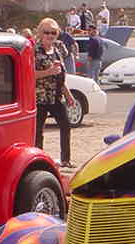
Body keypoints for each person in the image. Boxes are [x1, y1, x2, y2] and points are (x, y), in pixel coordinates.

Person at [34, 17, 76, 168]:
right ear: (40, 33)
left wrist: (68, 94)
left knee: (65, 125)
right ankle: (38, 161)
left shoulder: (57, 50)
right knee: (38, 131)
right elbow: (28, 74)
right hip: (40, 98)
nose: (50, 35)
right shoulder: (34, 50)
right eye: (46, 32)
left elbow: (60, 76)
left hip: (56, 97)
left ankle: (65, 159)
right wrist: (48, 71)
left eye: (53, 32)